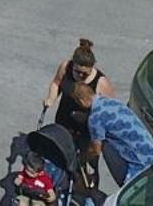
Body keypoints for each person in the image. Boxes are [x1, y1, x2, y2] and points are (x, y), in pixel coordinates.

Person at [43, 38, 118, 193]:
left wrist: (87, 118)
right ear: (73, 64)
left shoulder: (101, 83)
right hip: (63, 124)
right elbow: (56, 83)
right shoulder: (65, 67)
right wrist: (51, 98)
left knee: (85, 169)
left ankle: (85, 194)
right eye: (77, 72)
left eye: (85, 73)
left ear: (92, 69)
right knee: (57, 158)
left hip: (87, 132)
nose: (81, 76)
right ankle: (53, 189)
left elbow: (109, 114)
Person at [79, 87, 153, 189]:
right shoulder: (110, 102)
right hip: (151, 152)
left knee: (130, 192)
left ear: (81, 102)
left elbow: (96, 150)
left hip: (139, 162)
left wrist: (82, 159)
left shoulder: (95, 118)